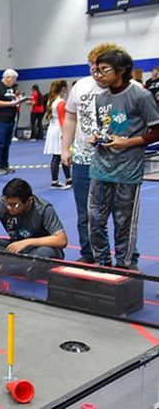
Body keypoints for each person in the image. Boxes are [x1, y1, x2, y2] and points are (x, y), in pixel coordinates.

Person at [88, 49, 159, 269]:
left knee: (123, 221)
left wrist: (127, 142)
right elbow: (107, 127)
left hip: (128, 170)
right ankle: (102, 262)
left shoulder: (141, 96)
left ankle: (124, 264)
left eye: (104, 70)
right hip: (101, 167)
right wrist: (98, 137)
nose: (98, 75)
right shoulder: (101, 98)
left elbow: (156, 131)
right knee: (95, 218)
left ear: (121, 70)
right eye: (96, 70)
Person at [62, 42, 126, 263]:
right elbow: (70, 117)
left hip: (115, 159)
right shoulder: (80, 86)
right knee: (85, 212)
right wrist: (65, 148)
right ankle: (88, 254)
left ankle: (126, 258)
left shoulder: (123, 88)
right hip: (83, 156)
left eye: (100, 66)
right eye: (91, 65)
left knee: (119, 213)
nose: (94, 70)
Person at [0, 178, 67, 261]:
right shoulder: (1, 204)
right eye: (7, 203)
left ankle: (8, 264)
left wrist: (27, 242)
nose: (8, 207)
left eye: (14, 205)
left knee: (42, 254)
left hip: (39, 247)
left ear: (29, 201)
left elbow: (61, 240)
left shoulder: (43, 209)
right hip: (16, 246)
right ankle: (13, 265)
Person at [0, 69, 21, 175]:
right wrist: (10, 104)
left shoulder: (10, 89)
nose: (15, 81)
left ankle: (4, 165)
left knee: (7, 144)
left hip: (9, 120)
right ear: (8, 77)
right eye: (14, 79)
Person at [43, 80, 71, 189]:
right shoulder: (61, 102)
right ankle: (55, 181)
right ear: (63, 88)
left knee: (58, 155)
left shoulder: (51, 101)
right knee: (60, 155)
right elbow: (62, 119)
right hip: (59, 130)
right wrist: (67, 133)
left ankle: (68, 178)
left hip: (52, 128)